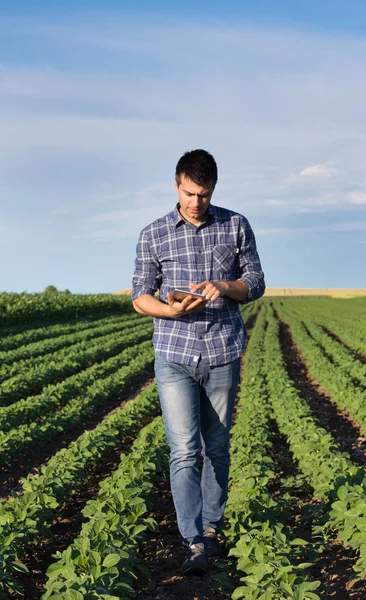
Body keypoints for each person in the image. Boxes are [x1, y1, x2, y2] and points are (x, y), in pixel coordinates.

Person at [131, 149, 265, 575]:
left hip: (223, 349)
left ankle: (211, 526)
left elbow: (256, 282)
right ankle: (193, 539)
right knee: (184, 450)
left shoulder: (236, 225)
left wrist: (224, 286)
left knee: (218, 447)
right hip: (174, 352)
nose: (195, 202)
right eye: (189, 193)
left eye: (203, 195)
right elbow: (139, 295)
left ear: (213, 190)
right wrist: (168, 310)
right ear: (177, 185)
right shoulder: (153, 234)